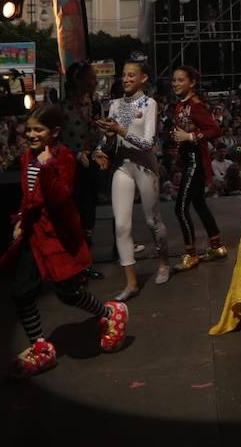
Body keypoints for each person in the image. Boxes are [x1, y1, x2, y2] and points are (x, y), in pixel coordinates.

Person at [0, 105, 128, 378]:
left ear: (54, 132)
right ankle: (40, 347)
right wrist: (22, 218)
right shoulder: (26, 158)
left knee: (68, 293)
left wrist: (46, 166)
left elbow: (60, 197)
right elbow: (28, 194)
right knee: (22, 291)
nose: (31, 135)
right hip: (35, 236)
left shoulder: (63, 158)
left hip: (58, 238)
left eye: (38, 130)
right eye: (29, 129)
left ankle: (109, 313)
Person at [93, 54, 172, 300]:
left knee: (152, 221)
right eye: (124, 75)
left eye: (131, 75)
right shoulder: (115, 105)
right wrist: (101, 147)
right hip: (122, 168)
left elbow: (148, 143)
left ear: (143, 79)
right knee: (121, 225)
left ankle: (164, 262)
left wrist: (120, 130)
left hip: (145, 167)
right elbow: (109, 141)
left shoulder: (149, 104)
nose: (125, 79)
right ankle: (131, 283)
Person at [169, 65, 225, 270]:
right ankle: (216, 246)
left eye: (180, 80)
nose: (175, 84)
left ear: (192, 83)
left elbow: (215, 129)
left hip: (195, 161)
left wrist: (190, 137)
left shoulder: (195, 105)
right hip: (188, 161)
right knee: (199, 204)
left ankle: (191, 254)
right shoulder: (180, 106)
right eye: (174, 80)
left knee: (180, 207)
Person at [61, 61, 105, 281]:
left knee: (89, 213)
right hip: (71, 168)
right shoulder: (62, 108)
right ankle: (72, 265)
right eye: (91, 77)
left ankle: (84, 264)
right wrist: (77, 155)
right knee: (74, 214)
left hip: (90, 165)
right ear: (78, 81)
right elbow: (58, 142)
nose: (95, 81)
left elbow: (97, 135)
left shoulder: (94, 105)